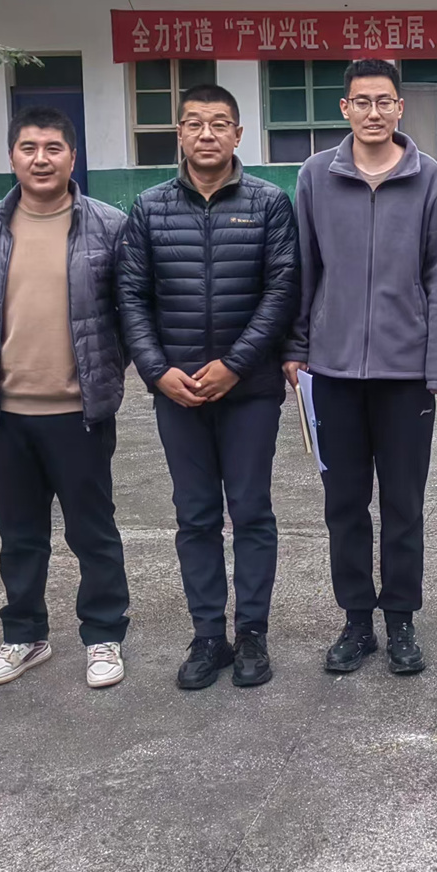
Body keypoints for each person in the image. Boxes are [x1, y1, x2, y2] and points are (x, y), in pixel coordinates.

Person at [284, 58, 437, 677]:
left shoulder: (427, 177)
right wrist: (297, 348)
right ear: (345, 109)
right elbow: (303, 269)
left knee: (404, 504)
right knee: (344, 503)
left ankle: (401, 619)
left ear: (399, 107)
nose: (373, 112)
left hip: (405, 375)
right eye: (361, 101)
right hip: (332, 372)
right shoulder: (316, 176)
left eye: (384, 101)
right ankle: (357, 620)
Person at [118, 84, 299, 691]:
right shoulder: (150, 208)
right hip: (178, 392)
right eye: (194, 123)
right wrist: (156, 370)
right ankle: (206, 636)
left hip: (249, 392)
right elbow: (131, 297)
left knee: (250, 512)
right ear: (180, 133)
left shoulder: (270, 203)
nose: (206, 134)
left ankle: (251, 634)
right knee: (194, 516)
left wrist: (236, 365)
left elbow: (281, 291)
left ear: (238, 134)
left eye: (219, 123)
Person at [0, 107, 132, 691]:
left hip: (78, 412)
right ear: (12, 156)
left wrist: (103, 371)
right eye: (28, 148)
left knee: (93, 532)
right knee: (19, 536)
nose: (40, 159)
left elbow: (127, 310)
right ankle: (24, 635)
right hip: (5, 411)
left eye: (53, 148)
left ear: (72, 157)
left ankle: (103, 635)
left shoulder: (108, 225)